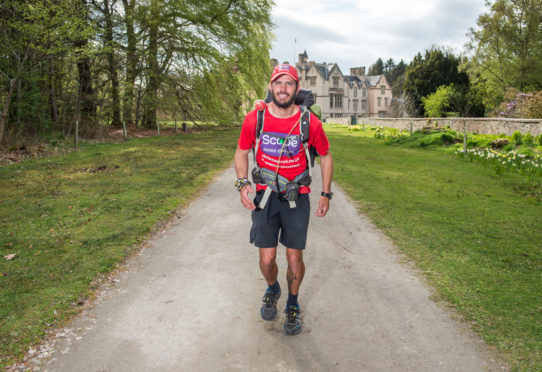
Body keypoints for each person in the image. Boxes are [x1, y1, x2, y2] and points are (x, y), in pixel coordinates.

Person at [234, 63, 333, 335]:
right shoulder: (256, 118)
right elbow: (241, 152)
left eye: (289, 83)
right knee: (267, 260)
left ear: (297, 89)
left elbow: (325, 155)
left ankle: (292, 303)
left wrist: (325, 193)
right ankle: (272, 288)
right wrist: (242, 183)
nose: (283, 88)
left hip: (296, 197)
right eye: (279, 82)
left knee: (293, 257)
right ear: (270, 86)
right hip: (265, 197)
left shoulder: (308, 121)